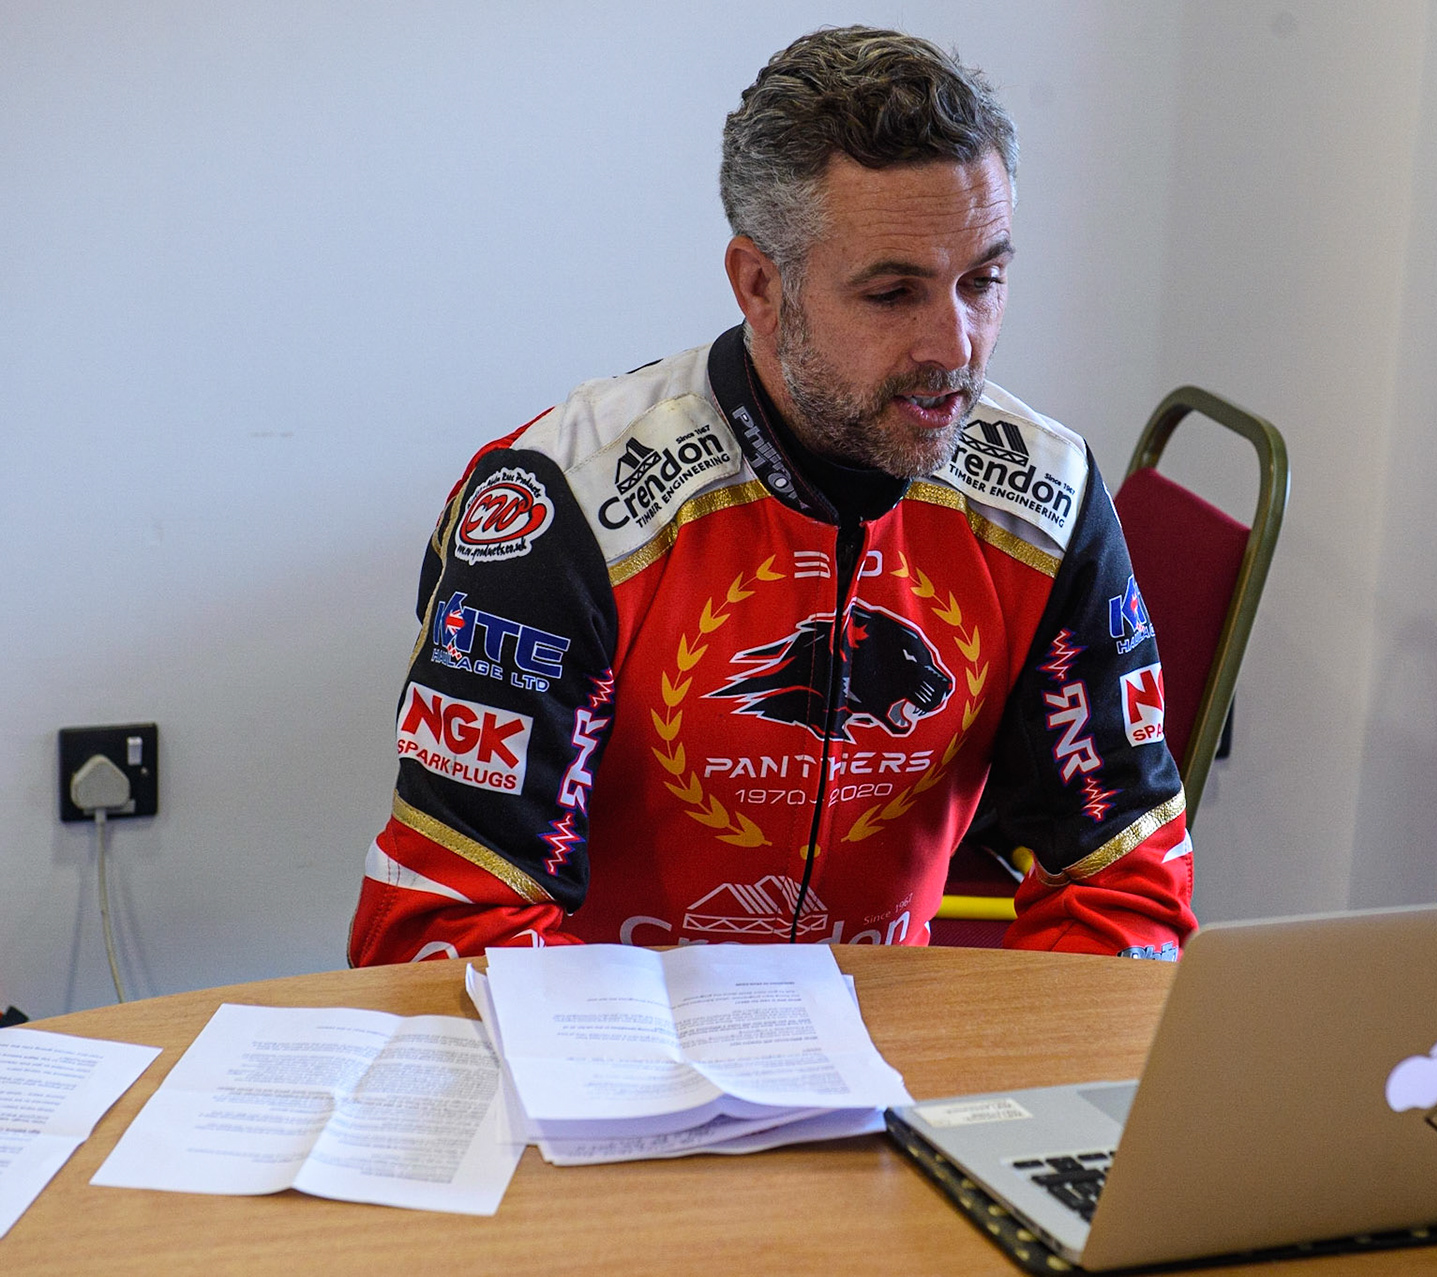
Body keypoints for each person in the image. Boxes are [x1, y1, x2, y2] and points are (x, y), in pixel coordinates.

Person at [349, 26, 1196, 965]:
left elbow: (1124, 888)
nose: (955, 347)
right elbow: (438, 928)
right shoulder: (562, 508)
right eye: (892, 293)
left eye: (982, 281)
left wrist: (1003, 1088)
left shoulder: (1044, 499)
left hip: (892, 1073)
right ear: (760, 284)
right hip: (603, 1075)